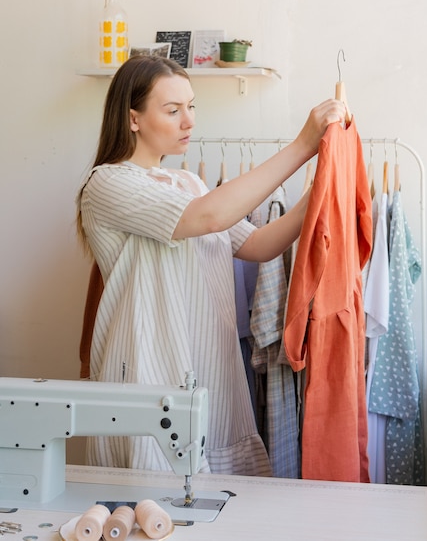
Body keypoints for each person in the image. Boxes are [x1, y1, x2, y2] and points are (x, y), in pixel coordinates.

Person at [76, 54, 346, 477]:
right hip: (151, 369)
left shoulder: (190, 184)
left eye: (192, 106)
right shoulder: (109, 184)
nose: (189, 121)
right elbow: (209, 218)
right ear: (133, 119)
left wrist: (320, 190)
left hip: (210, 369)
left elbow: (258, 243)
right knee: (152, 506)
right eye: (172, 110)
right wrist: (301, 146)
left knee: (218, 503)